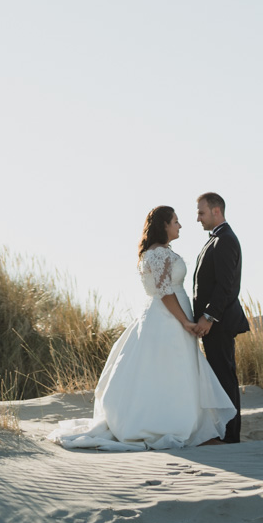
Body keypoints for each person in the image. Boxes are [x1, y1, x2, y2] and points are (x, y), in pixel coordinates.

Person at [51, 205, 236, 451]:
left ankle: (185, 427)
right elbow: (165, 293)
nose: (180, 226)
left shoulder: (159, 252)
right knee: (168, 371)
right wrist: (184, 321)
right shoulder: (158, 254)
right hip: (168, 319)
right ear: (164, 226)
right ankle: (167, 426)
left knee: (172, 371)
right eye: (175, 222)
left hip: (166, 317)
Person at [192, 192, 249, 443]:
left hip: (220, 322)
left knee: (224, 377)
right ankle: (225, 432)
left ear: (216, 211)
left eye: (201, 212)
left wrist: (208, 317)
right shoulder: (217, 239)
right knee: (220, 375)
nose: (198, 218)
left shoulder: (225, 239)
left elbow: (225, 287)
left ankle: (230, 435)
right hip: (216, 322)